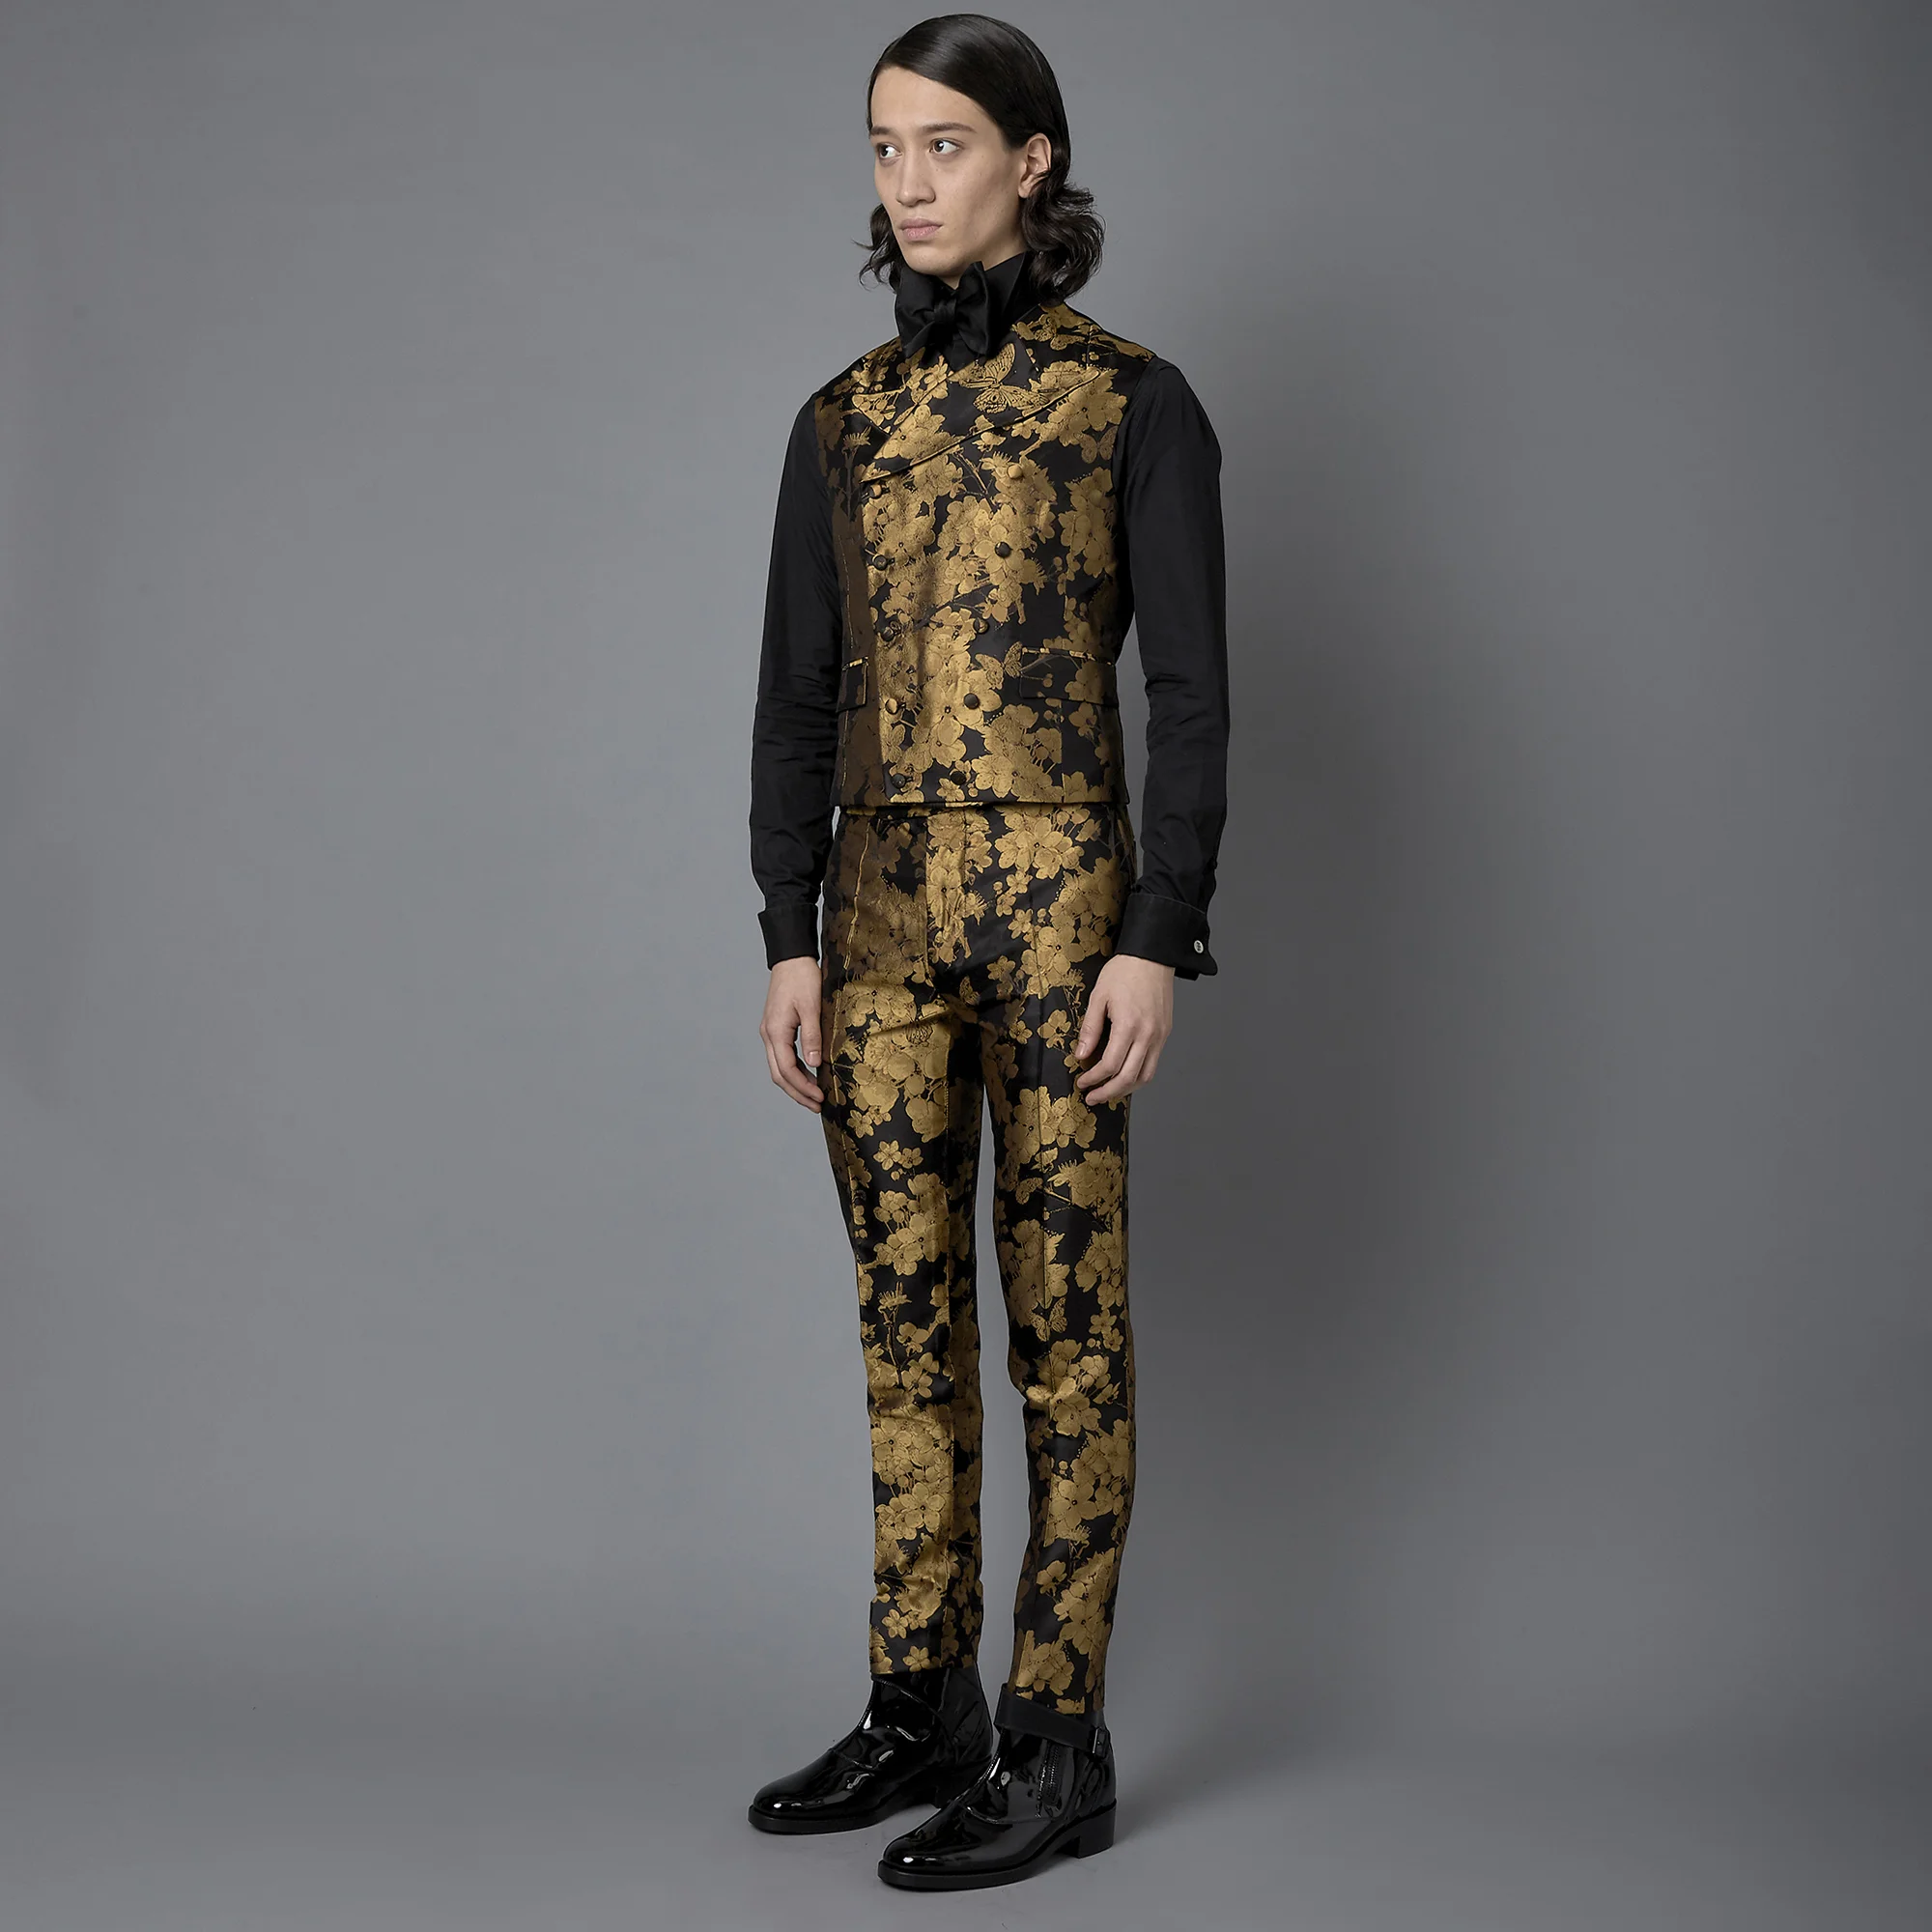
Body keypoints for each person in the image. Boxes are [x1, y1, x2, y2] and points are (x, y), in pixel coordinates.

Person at [745, 13, 1229, 1891]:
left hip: (1060, 926)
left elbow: (1187, 696)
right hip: (873, 924)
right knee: (904, 1320)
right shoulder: (840, 420)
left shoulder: (1133, 403)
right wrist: (785, 930)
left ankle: (1056, 1737)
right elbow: (798, 696)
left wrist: (1157, 933)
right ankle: (918, 1700)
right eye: (884, 148)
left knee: (1066, 1334)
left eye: (942, 143)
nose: (909, 182)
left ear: (1033, 158)